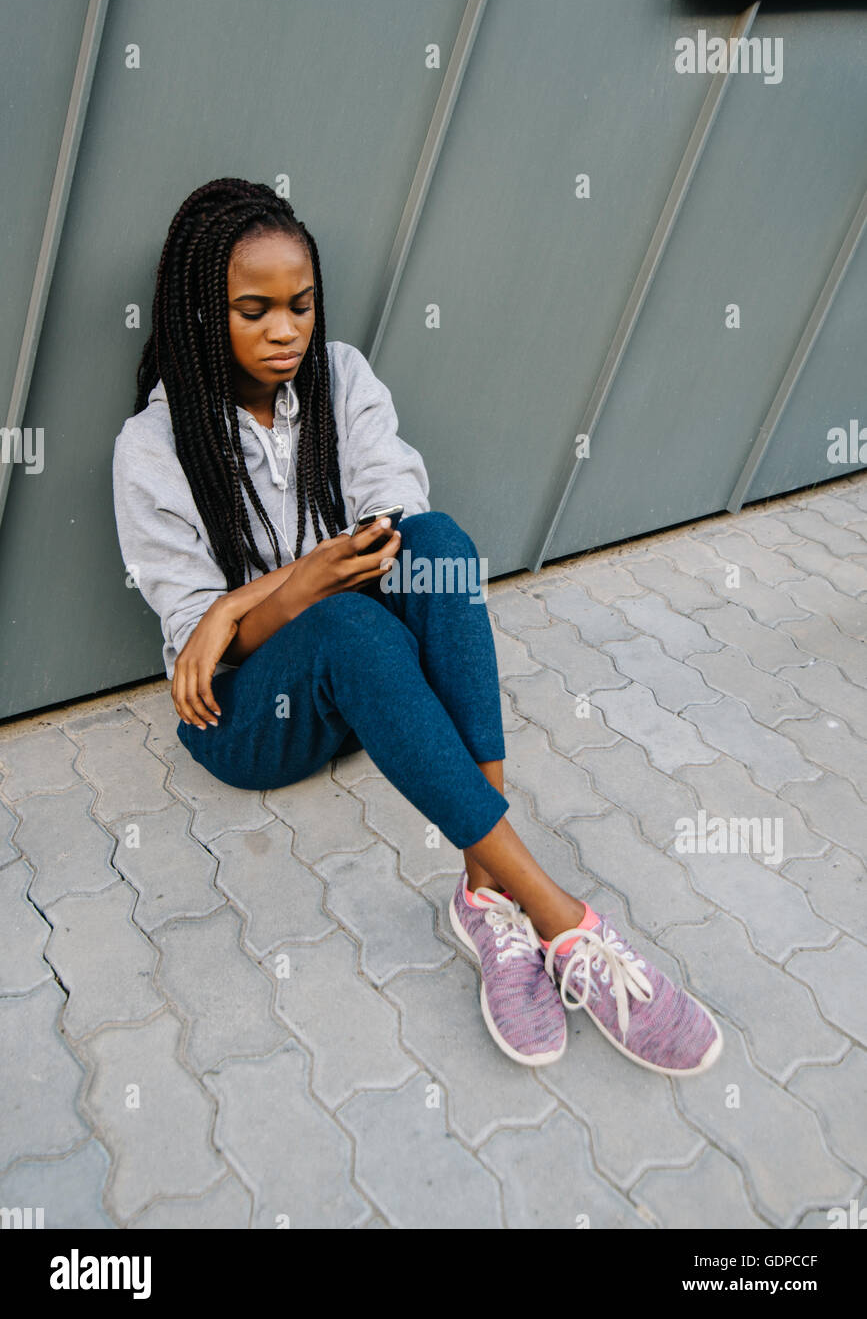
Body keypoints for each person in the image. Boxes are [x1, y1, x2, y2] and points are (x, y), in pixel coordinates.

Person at [112, 177, 722, 1076]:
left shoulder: (340, 377)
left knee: (440, 543)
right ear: (202, 314)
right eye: (254, 311)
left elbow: (396, 528)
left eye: (300, 305)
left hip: (340, 662)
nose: (286, 331)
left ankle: (484, 893)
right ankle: (560, 918)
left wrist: (249, 596)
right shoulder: (153, 448)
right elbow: (203, 659)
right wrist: (282, 597)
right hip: (245, 720)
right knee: (354, 628)